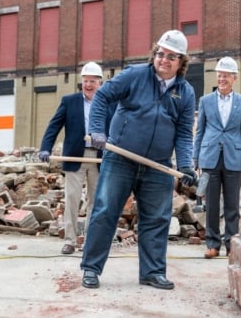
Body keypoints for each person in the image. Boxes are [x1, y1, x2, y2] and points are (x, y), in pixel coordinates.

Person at [80, 29, 197, 290]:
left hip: (158, 166)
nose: (164, 60)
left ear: (181, 62)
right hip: (120, 158)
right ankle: (91, 268)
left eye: (171, 57)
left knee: (157, 218)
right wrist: (97, 129)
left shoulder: (185, 92)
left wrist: (186, 164)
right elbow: (102, 97)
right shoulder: (135, 75)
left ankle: (152, 272)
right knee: (105, 212)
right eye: (160, 53)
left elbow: (183, 133)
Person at [38, 62, 114, 255]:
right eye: (86, 81)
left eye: (93, 81)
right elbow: (54, 126)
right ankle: (70, 240)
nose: (88, 85)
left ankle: (90, 241)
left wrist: (110, 142)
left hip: (100, 158)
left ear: (100, 83)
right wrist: (45, 148)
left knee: (95, 201)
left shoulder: (108, 102)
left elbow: (116, 128)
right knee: (71, 199)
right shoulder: (69, 101)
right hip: (75, 156)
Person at [193, 56, 241, 258]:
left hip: (233, 157)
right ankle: (212, 244)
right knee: (211, 204)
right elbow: (199, 131)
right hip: (210, 157)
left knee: (231, 204)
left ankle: (231, 245)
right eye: (219, 75)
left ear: (234, 78)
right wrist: (195, 158)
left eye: (226, 76)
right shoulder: (205, 101)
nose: (222, 79)